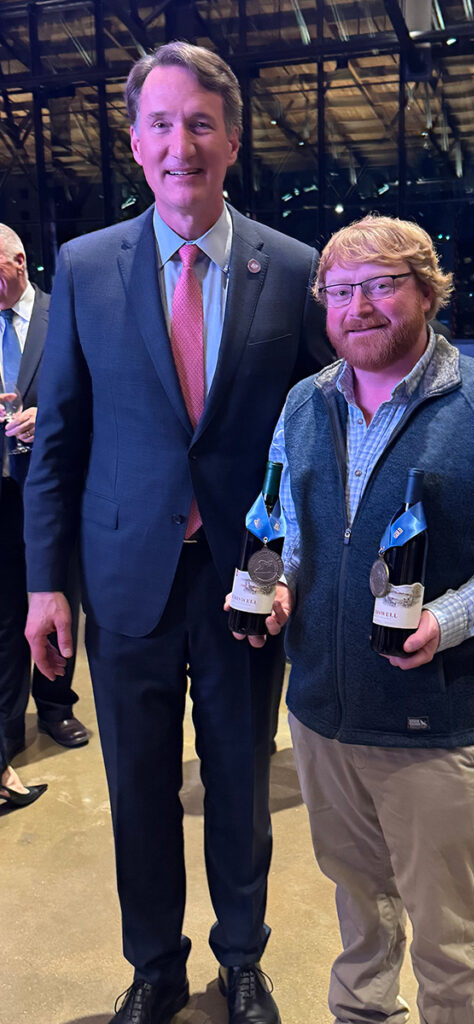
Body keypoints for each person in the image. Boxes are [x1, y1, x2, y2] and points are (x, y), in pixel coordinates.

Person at [23, 41, 329, 1024]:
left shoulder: (291, 269)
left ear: (231, 140)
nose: (180, 143)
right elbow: (59, 436)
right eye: (161, 123)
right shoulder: (85, 266)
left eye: (200, 122)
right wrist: (44, 583)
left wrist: (299, 569)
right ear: (135, 140)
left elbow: (317, 441)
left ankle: (243, 957)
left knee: (240, 781)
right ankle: (154, 962)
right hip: (122, 578)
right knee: (140, 786)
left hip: (244, 580)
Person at [240, 215, 474, 1024]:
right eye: (342, 291)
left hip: (435, 727)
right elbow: (284, 521)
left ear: (428, 293)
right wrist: (273, 586)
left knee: (447, 940)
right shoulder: (304, 403)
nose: (359, 306)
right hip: (323, 716)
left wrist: (453, 617)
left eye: (383, 285)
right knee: (358, 915)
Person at [0, 224, 88, 761]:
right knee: (6, 610)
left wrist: (50, 418)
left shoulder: (66, 314)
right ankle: (8, 722)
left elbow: (99, 393)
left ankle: (55, 705)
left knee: (57, 594)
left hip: (53, 487)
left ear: (19, 261)